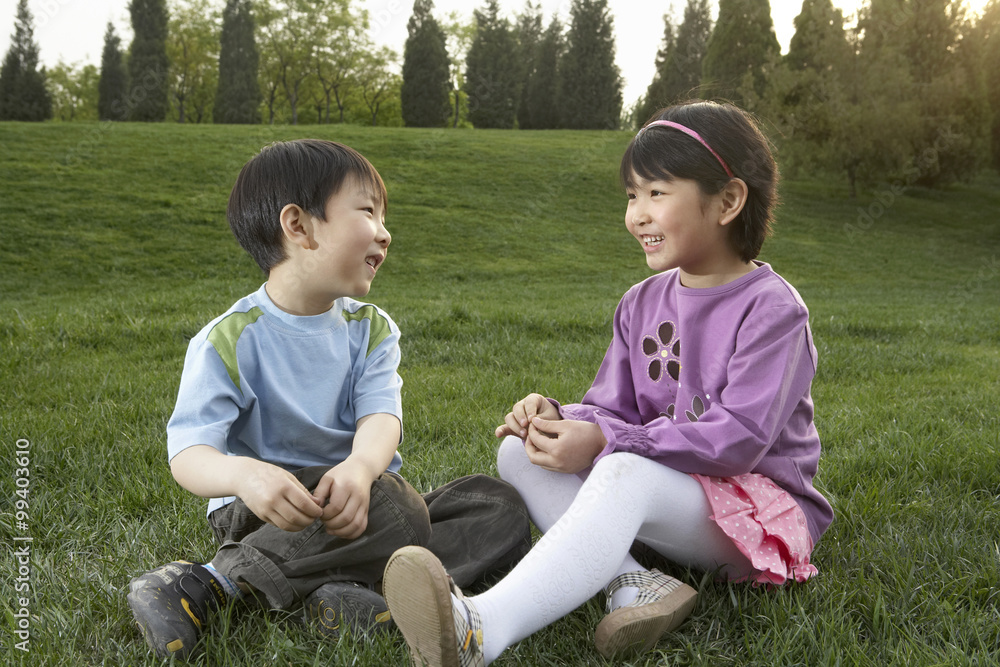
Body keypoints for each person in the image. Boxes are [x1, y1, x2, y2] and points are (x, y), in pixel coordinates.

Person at [381, 101, 835, 665]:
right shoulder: (640, 302)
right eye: (631, 195)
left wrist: (609, 442)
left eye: (657, 193)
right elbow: (611, 409)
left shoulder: (773, 310)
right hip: (672, 499)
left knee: (621, 468)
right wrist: (557, 417)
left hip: (758, 514)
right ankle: (637, 583)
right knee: (520, 454)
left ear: (728, 201)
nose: (638, 213)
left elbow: (738, 439)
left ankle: (483, 627)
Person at [126, 139, 530, 661]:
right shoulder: (230, 339)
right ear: (298, 226)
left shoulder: (371, 329)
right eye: (367, 211)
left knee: (496, 504)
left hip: (359, 498)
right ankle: (207, 584)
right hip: (268, 513)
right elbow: (188, 454)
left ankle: (346, 598)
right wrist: (245, 476)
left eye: (384, 216)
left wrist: (361, 468)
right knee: (401, 509)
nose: (385, 231)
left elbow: (381, 416)